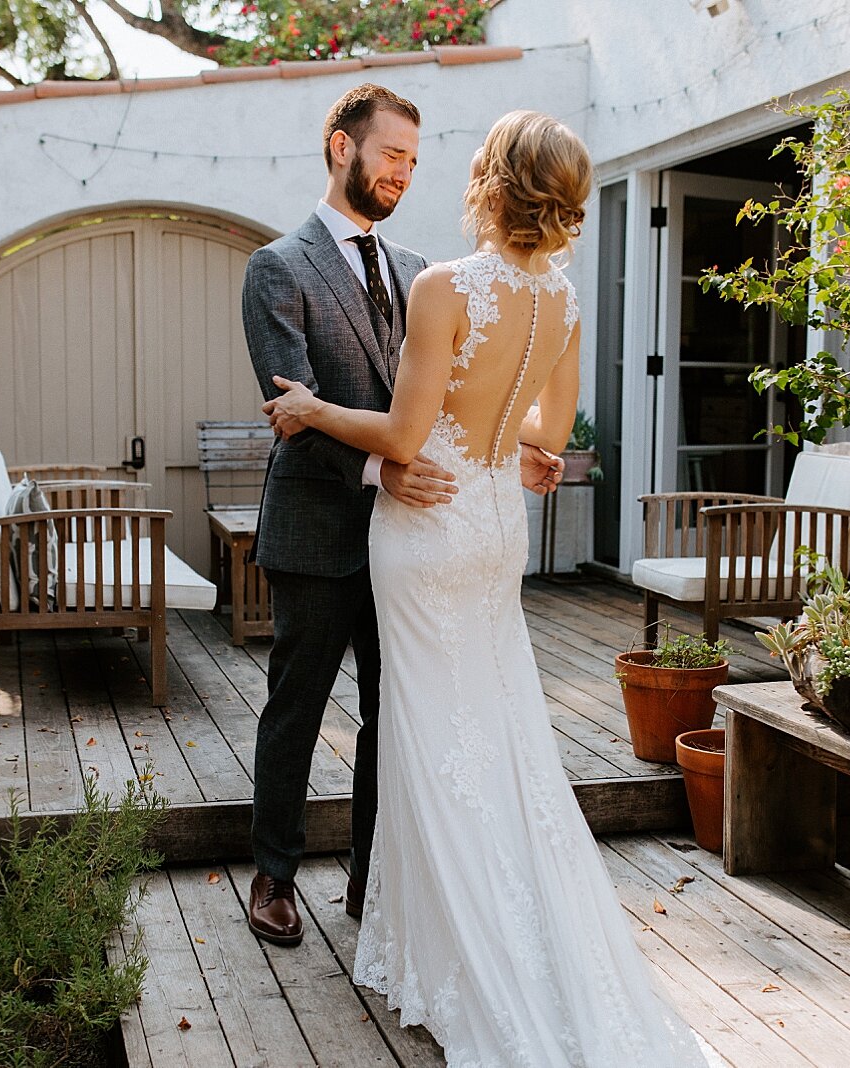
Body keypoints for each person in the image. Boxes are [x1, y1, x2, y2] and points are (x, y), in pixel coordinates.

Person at [263, 109, 708, 1067]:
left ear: (492, 183)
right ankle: (483, 921)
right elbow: (554, 427)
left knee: (429, 739)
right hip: (499, 526)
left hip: (426, 534)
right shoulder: (562, 298)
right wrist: (528, 457)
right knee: (495, 730)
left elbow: (403, 438)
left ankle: (460, 946)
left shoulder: (444, 285)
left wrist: (309, 408)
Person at [240, 85, 565, 949]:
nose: (404, 174)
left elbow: (444, 403)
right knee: (296, 709)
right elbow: (289, 408)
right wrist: (386, 469)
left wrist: (509, 443)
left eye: (416, 161)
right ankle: (273, 879)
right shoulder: (275, 268)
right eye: (391, 155)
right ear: (341, 147)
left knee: (398, 714)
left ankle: (371, 882)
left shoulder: (425, 270)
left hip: (414, 541)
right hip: (317, 530)